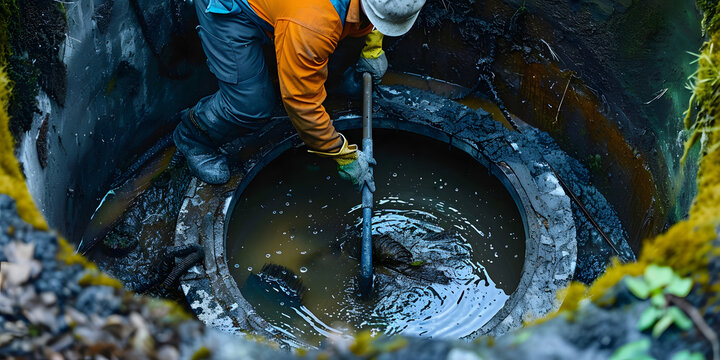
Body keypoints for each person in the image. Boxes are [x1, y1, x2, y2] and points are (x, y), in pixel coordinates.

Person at [173, 0, 426, 190]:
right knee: (251, 106)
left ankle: (324, 81)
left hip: (291, 14)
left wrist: (372, 47)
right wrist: (343, 154)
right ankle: (193, 138)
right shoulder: (313, 24)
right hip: (232, 10)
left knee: (322, 54)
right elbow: (300, 102)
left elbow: (371, 13)